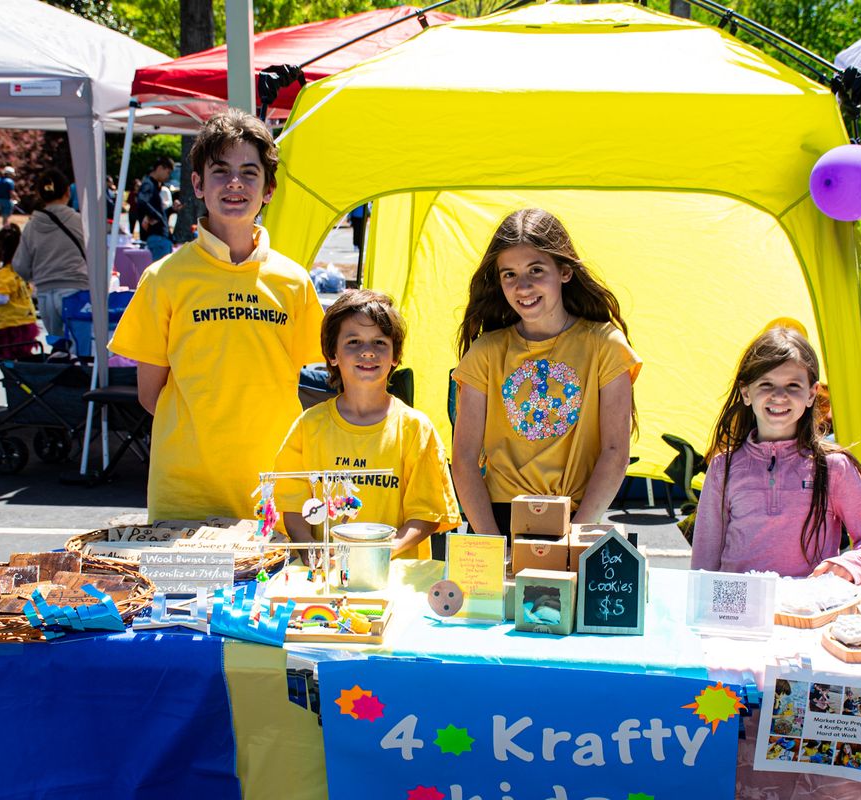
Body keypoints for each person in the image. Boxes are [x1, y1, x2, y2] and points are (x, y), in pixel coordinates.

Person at [110, 109, 325, 523]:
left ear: (269, 189)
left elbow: (296, 379)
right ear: (197, 184)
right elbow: (149, 394)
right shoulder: (163, 279)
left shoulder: (294, 281)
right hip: (185, 488)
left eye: (249, 172)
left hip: (274, 485)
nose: (234, 184)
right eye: (220, 171)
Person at [451, 208, 641, 536]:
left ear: (564, 271)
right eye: (509, 274)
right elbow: (465, 458)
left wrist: (575, 535)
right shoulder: (485, 351)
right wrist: (491, 540)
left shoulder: (606, 345)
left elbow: (615, 452)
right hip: (497, 519)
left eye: (536, 270)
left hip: (579, 515)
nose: (522, 287)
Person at [690, 326, 861, 582]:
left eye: (793, 385)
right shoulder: (723, 467)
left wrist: (850, 565)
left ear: (811, 394)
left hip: (808, 613)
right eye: (766, 384)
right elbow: (704, 559)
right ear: (746, 392)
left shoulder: (834, 467)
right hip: (737, 613)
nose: (779, 396)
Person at [275, 290, 460, 559]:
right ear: (332, 354)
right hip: (325, 579)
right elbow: (291, 504)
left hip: (395, 579)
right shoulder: (308, 425)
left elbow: (427, 515)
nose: (367, 352)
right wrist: (308, 547)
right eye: (353, 342)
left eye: (379, 343)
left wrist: (379, 554)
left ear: (395, 355)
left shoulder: (415, 429)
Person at [12, 168, 90, 340]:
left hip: (45, 293)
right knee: (80, 348)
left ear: (40, 194)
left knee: (58, 347)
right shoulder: (80, 222)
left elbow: (20, 267)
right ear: (68, 192)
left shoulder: (32, 226)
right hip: (76, 290)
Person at [0, 224, 39, 365]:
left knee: (6, 358)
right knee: (22, 358)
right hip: (27, 323)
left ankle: (12, 378)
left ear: (2, 250)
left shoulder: (4, 273)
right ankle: (20, 381)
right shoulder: (20, 270)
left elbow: (3, 298)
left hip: (9, 326)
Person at [135, 156, 176, 260]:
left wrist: (171, 210)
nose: (168, 177)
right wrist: (156, 216)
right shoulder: (148, 184)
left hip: (161, 237)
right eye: (168, 172)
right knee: (162, 274)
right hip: (157, 237)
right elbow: (142, 200)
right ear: (160, 168)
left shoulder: (154, 186)